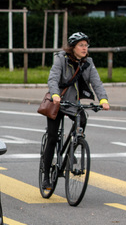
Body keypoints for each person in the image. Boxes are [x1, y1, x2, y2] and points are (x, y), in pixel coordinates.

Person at [41, 32, 110, 190]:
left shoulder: (88, 62)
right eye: (81, 45)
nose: (85, 48)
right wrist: (55, 94)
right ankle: (46, 177)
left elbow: (96, 82)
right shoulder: (61, 59)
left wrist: (103, 99)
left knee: (83, 119)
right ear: (73, 48)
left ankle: (74, 144)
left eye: (86, 45)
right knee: (52, 137)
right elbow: (53, 78)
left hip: (74, 104)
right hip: (58, 102)